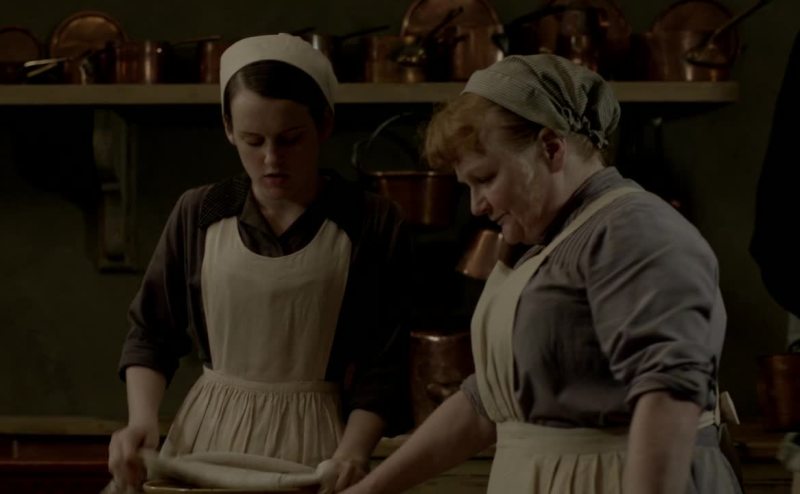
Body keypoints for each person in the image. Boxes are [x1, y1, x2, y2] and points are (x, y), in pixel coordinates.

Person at [341, 54, 741, 494]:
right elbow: (487, 404)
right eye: (467, 186)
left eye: (485, 178)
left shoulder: (634, 230)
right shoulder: (544, 245)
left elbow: (670, 395)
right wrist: (368, 490)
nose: (476, 205)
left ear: (551, 148)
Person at [106, 33, 413, 492]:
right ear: (229, 129)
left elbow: (384, 363)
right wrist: (141, 422)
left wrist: (353, 453)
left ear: (324, 125)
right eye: (253, 140)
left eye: (290, 140)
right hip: (205, 442)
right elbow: (152, 332)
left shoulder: (371, 220)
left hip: (318, 448)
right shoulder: (200, 212)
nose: (271, 159)